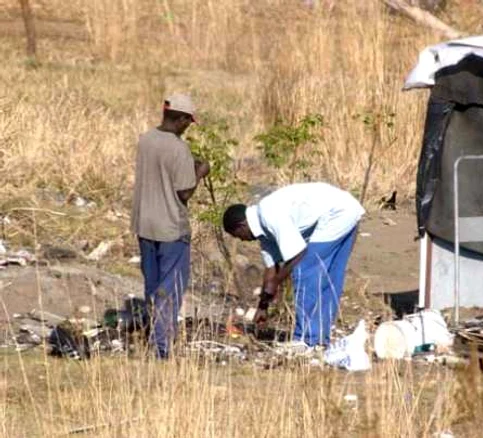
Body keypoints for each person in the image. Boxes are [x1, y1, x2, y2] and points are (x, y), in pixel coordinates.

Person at [223, 182, 365, 348]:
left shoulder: (269, 215)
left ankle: (305, 339)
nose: (241, 240)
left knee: (304, 272)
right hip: (347, 211)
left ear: (242, 225)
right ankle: (319, 339)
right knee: (328, 279)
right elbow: (271, 269)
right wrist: (262, 307)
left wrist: (278, 280)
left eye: (238, 235)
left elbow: (298, 254)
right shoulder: (263, 230)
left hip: (337, 213)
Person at [131, 93, 210, 359]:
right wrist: (200, 171)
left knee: (152, 285)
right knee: (170, 288)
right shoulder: (178, 149)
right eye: (188, 121)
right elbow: (184, 192)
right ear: (181, 118)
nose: (188, 126)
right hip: (171, 228)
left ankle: (154, 336)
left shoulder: (146, 140)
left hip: (144, 223)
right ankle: (162, 347)